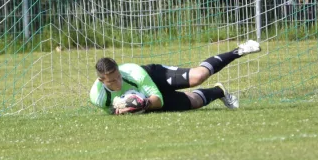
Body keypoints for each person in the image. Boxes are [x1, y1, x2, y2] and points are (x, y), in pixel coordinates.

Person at [89, 40, 261, 114]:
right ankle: (219, 91)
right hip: (147, 100)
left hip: (154, 76)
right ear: (101, 80)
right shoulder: (97, 96)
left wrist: (144, 103)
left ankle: (239, 51)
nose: (118, 82)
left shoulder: (134, 72)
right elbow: (112, 111)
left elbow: (158, 100)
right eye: (112, 81)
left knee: (198, 76)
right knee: (194, 103)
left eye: (118, 77)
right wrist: (126, 109)